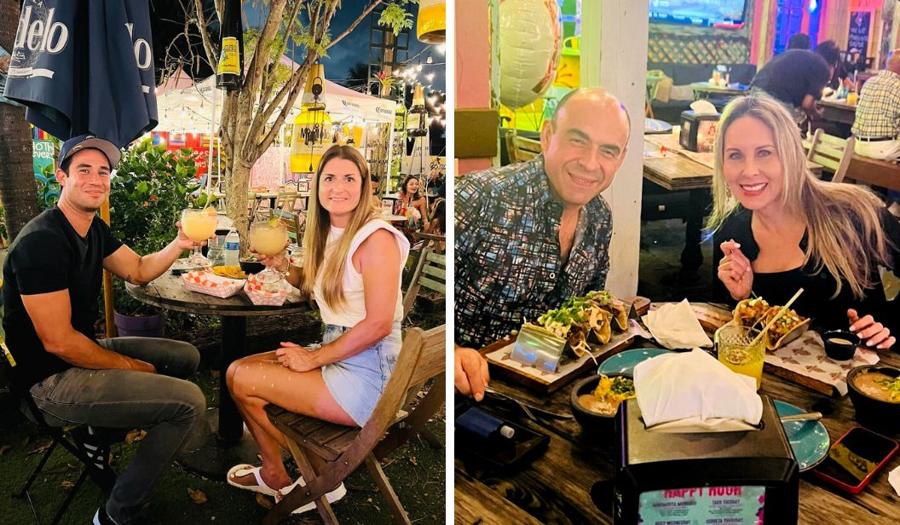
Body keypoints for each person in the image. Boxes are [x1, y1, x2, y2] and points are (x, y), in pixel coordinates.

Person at [1, 135, 206, 525]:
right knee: (189, 404)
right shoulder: (41, 242)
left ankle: (96, 434)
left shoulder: (92, 228)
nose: (96, 179)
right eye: (84, 170)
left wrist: (179, 243)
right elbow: (59, 342)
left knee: (185, 357)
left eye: (103, 171)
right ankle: (116, 514)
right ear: (62, 176)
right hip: (48, 382)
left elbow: (138, 270)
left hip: (79, 353)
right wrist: (130, 366)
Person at [225, 145, 409, 510]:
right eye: (329, 178)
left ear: (365, 185)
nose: (338, 187)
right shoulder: (329, 234)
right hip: (344, 354)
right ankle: (279, 473)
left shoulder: (377, 238)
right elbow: (313, 285)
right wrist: (282, 265)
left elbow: (378, 324)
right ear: (317, 186)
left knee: (243, 378)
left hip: (370, 373)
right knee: (236, 373)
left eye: (349, 179)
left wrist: (314, 358)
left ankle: (322, 475)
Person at [454, 88, 630, 399]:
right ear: (547, 136)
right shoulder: (479, 198)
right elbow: (418, 310)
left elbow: (585, 311)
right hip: (470, 396)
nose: (590, 163)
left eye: (608, 151)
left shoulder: (600, 217)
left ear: (621, 158)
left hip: (550, 392)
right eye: (578, 141)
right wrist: (452, 351)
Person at [709, 95, 897, 350]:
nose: (749, 170)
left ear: (791, 155)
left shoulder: (853, 214)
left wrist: (890, 328)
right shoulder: (730, 232)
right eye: (735, 155)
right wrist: (740, 299)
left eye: (764, 153)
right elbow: (733, 336)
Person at [852, 49, 900, 217]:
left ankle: (883, 200)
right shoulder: (898, 87)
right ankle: (896, 205)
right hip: (882, 148)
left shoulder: (870, 82)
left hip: (858, 145)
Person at [750, 41, 841, 123]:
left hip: (756, 90)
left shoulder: (804, 56)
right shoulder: (823, 68)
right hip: (776, 98)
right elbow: (807, 104)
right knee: (791, 127)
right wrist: (816, 114)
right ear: (834, 63)